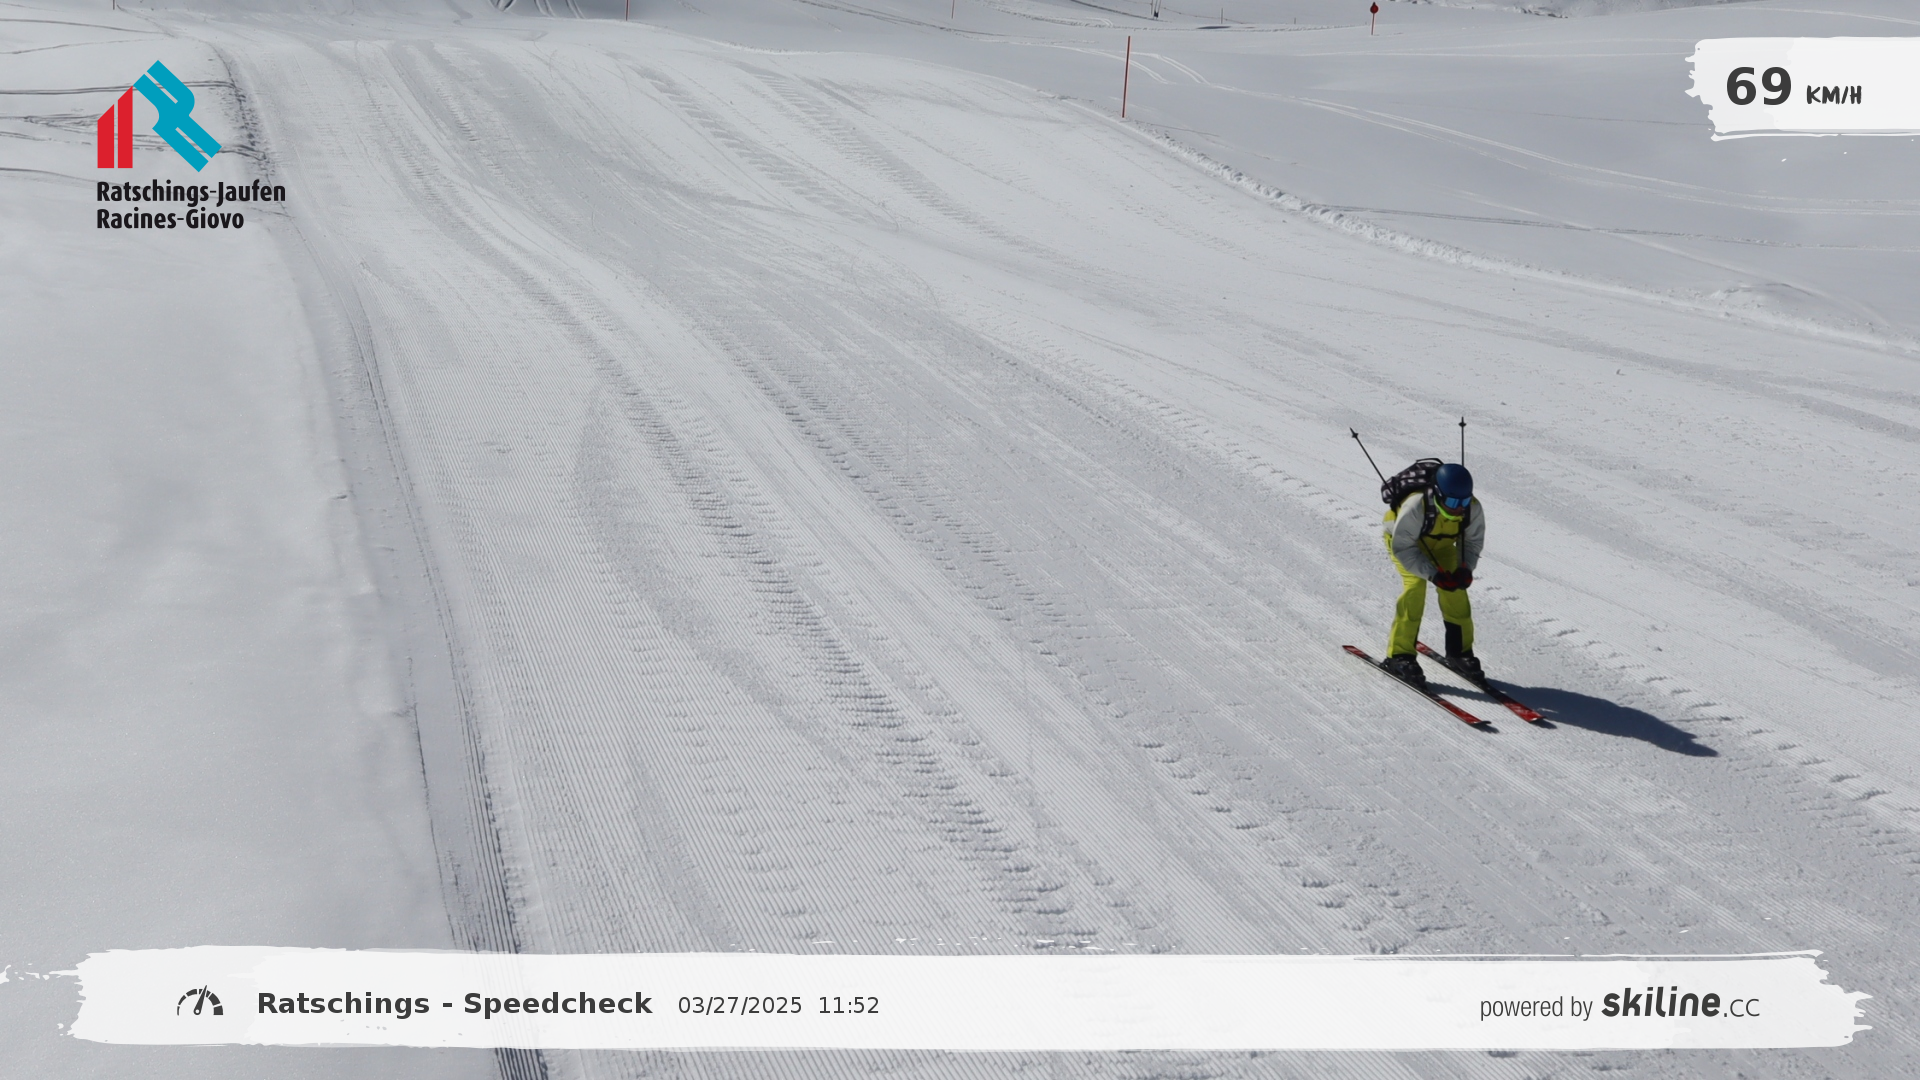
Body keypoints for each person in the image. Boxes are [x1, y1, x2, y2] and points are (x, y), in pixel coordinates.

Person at [1379, 463, 1483, 687]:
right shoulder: (1416, 505)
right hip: (1405, 545)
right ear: (1437, 494)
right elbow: (1404, 548)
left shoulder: (1472, 507)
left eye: (1464, 501)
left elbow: (1471, 542)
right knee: (1415, 588)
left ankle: (1459, 653)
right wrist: (1433, 575)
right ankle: (1399, 656)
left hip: (1442, 546)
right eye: (1453, 502)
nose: (1458, 508)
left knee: (1456, 590)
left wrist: (1465, 569)